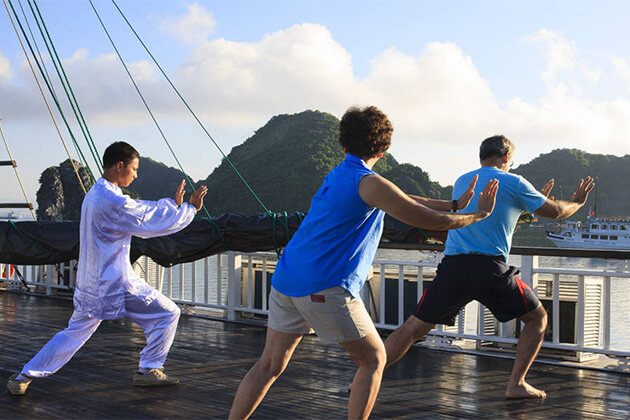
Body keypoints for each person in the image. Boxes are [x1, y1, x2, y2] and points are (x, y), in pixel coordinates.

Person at [229, 106, 499, 420]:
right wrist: (478, 215)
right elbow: (427, 218)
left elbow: (401, 197)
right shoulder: (368, 183)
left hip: (287, 280)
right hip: (324, 286)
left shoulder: (341, 174)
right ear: (383, 150)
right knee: (373, 359)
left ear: (343, 143)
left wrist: (454, 203)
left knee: (269, 365)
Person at [384, 134, 595, 400]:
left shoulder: (464, 180)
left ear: (481, 156)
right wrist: (577, 202)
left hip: (454, 267)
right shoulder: (513, 181)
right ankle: (516, 383)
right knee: (537, 319)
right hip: (489, 269)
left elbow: (493, 220)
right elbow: (555, 211)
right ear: (506, 156)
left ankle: (369, 375)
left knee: (413, 327)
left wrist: (527, 204)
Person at [7, 141, 208, 396]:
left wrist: (173, 206)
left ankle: (24, 375)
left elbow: (142, 210)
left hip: (91, 282)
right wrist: (187, 209)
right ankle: (149, 369)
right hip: (115, 282)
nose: (135, 175)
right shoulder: (112, 201)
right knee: (168, 313)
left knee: (73, 333)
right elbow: (147, 220)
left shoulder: (96, 194)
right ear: (119, 165)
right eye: (134, 169)